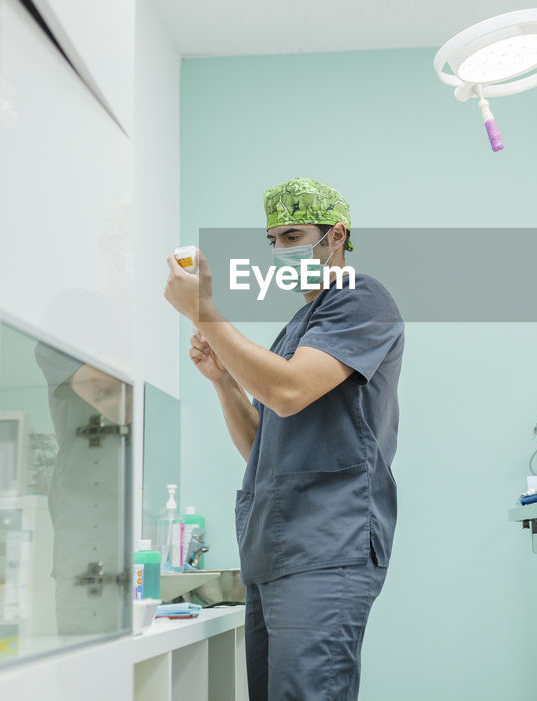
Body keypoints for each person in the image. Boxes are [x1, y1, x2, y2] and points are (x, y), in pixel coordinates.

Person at [163, 177, 404, 700]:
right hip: (274, 552)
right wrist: (224, 382)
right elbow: (261, 448)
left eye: (293, 235)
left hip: (326, 543)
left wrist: (202, 309)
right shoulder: (300, 325)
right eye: (272, 240)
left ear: (336, 235)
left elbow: (289, 390)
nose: (280, 250)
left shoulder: (360, 300)